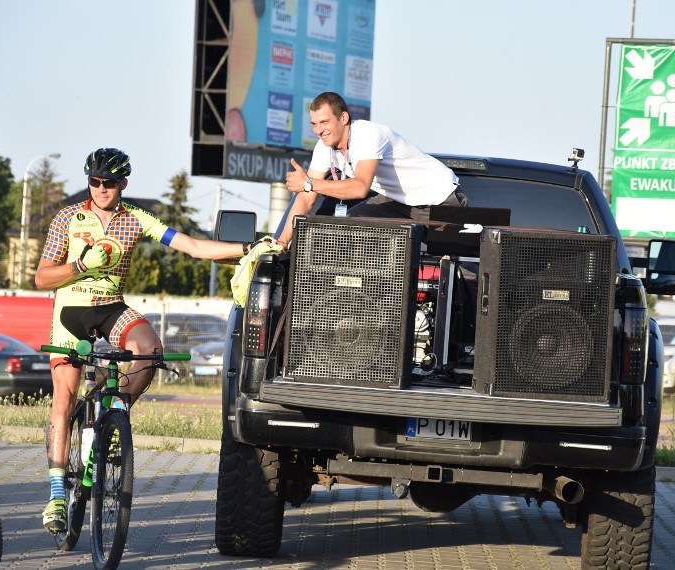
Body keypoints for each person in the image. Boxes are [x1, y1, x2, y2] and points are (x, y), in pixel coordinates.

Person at [34, 147, 256, 533]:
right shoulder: (68, 217)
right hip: (70, 310)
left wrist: (247, 249)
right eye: (94, 181)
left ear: (123, 183)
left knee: (149, 351)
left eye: (109, 182)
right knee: (64, 397)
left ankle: (115, 417)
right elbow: (41, 278)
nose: (101, 189)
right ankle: (55, 495)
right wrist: (82, 265)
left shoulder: (136, 218)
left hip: (111, 307)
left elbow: (193, 247)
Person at [277, 91, 465, 248]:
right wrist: (282, 243)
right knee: (342, 225)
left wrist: (309, 183)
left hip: (440, 199)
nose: (318, 131)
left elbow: (360, 188)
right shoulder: (323, 147)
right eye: (314, 124)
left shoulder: (367, 135)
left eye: (324, 122)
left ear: (343, 118)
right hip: (398, 202)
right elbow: (306, 198)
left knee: (458, 270)